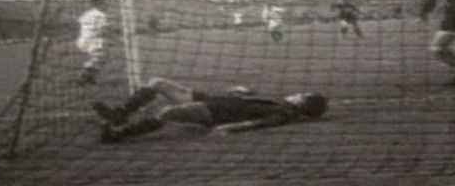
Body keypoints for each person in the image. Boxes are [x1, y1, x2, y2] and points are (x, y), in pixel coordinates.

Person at [93, 77, 328, 143]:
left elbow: (259, 124)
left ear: (303, 104)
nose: (297, 93)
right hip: (212, 100)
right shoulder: (281, 105)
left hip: (212, 113)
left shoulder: (284, 114)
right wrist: (240, 92)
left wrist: (229, 128)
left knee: (165, 113)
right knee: (156, 83)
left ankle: (118, 135)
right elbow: (247, 107)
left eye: (302, 95)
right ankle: (119, 114)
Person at [76, 0, 109, 85]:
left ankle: (91, 78)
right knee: (98, 58)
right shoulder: (101, 15)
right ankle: (83, 76)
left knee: (99, 58)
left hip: (82, 39)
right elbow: (103, 30)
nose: (106, 5)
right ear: (99, 5)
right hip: (93, 40)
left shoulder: (86, 14)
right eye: (104, 3)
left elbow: (80, 22)